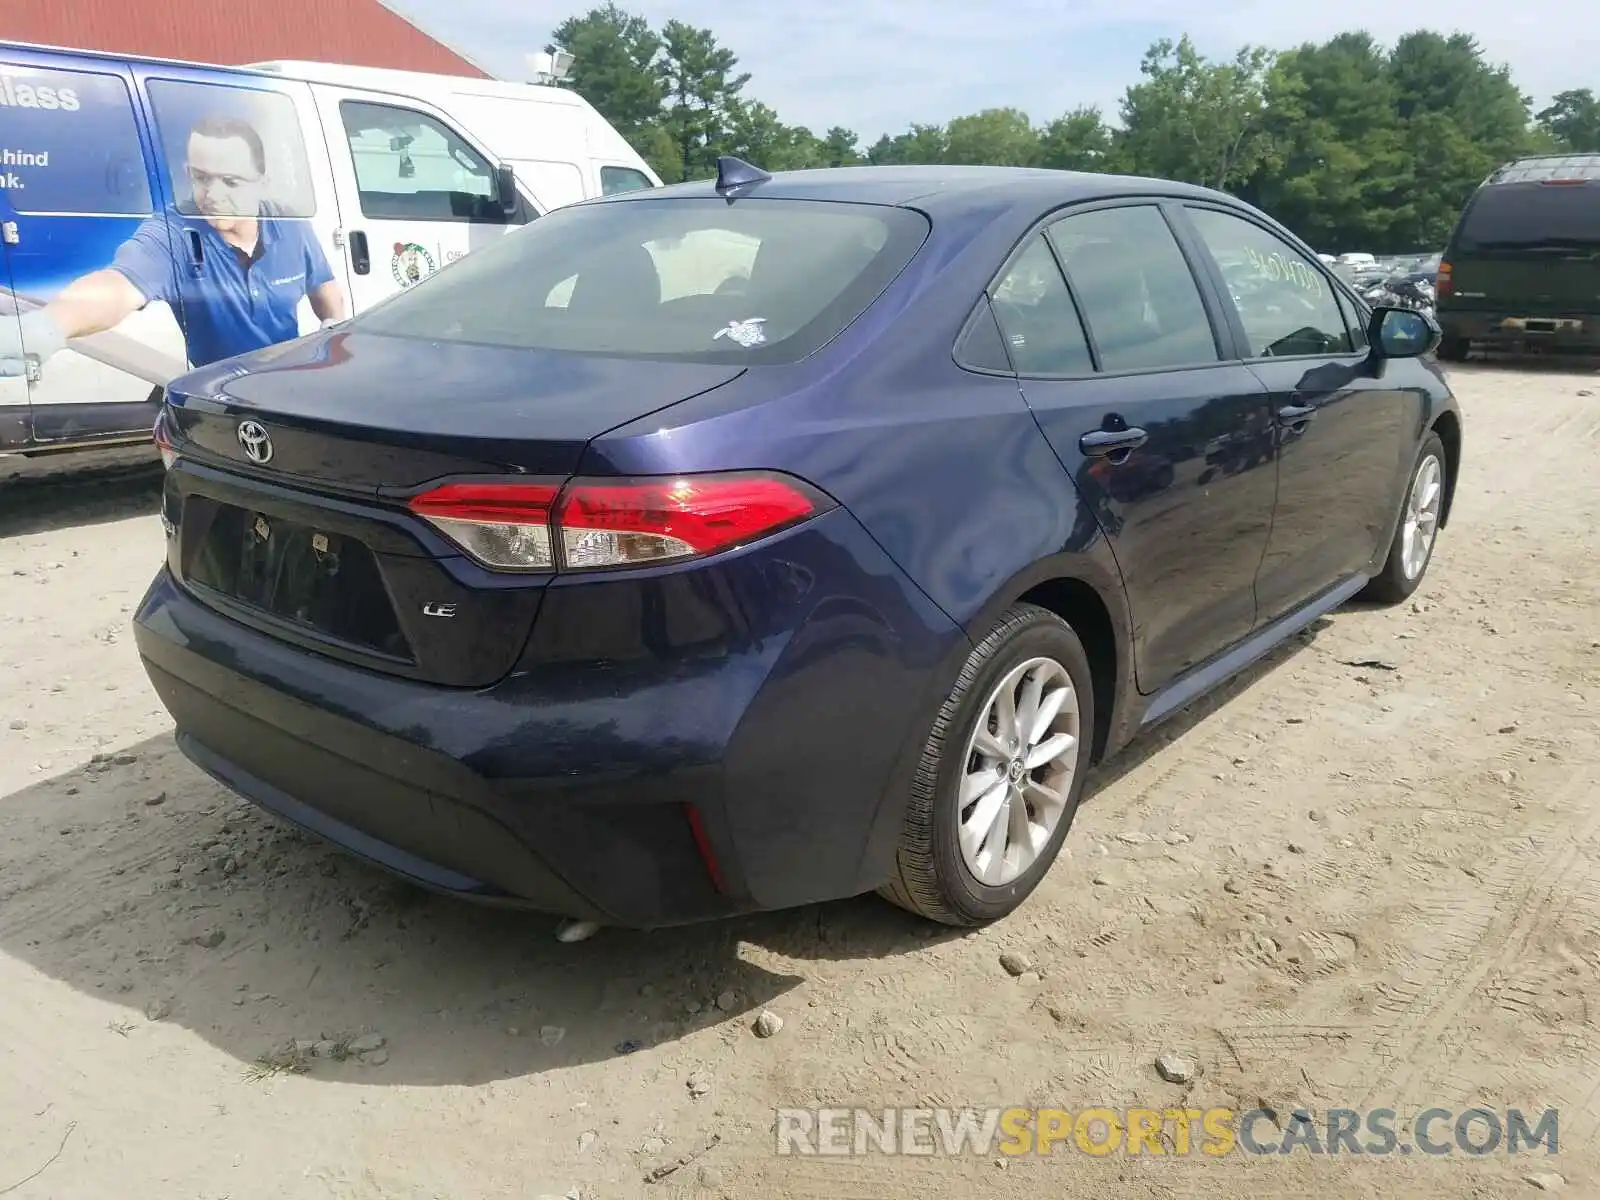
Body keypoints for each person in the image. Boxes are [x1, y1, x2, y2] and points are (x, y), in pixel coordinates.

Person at [0, 115, 347, 379]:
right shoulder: (174, 231)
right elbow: (119, 286)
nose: (212, 193)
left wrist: (332, 325)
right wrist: (48, 326)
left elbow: (324, 287)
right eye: (200, 177)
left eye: (230, 181)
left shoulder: (290, 225)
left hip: (286, 384)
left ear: (262, 183)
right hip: (218, 395)